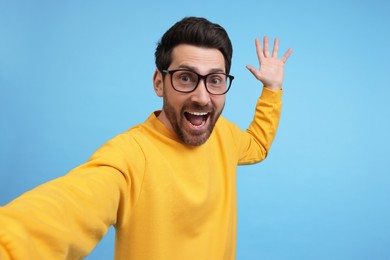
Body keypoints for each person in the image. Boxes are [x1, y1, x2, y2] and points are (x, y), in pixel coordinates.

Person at [0, 17, 292, 259]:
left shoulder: (224, 134)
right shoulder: (128, 158)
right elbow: (62, 209)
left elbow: (258, 145)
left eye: (214, 80)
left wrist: (272, 90)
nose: (202, 97)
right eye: (186, 77)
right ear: (159, 83)